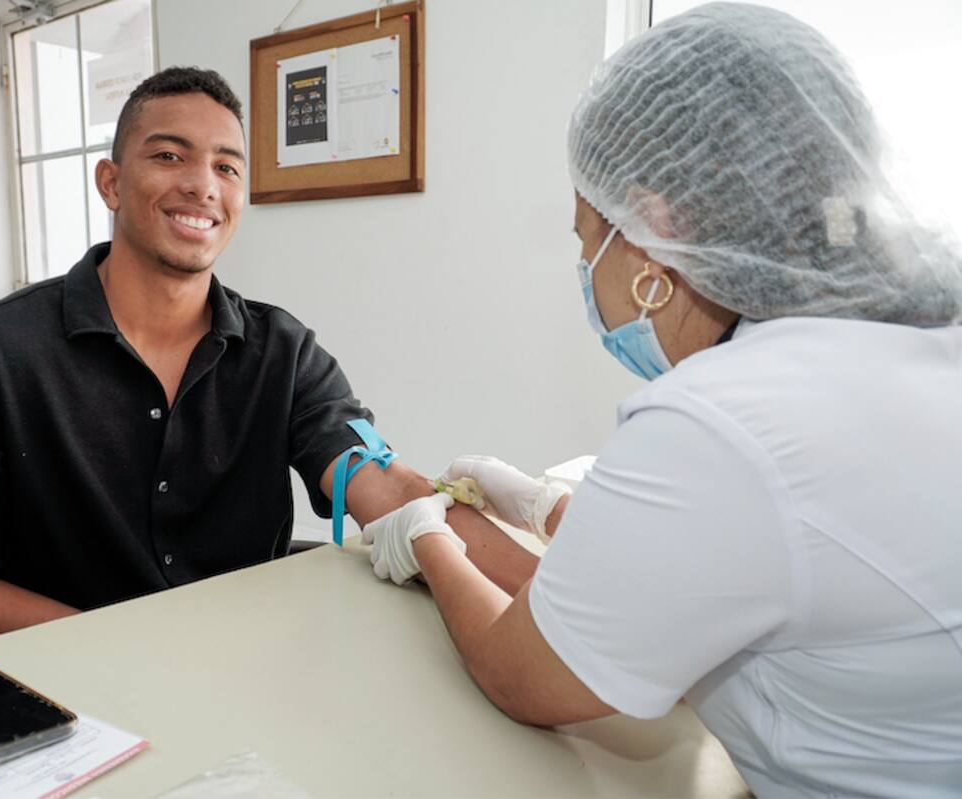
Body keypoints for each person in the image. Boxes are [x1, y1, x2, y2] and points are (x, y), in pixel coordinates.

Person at [361, 4, 962, 796]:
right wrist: (546, 509)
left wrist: (427, 537)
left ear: (653, 228)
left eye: (587, 240)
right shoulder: (918, 334)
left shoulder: (722, 420)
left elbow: (522, 675)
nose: (587, 272)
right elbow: (751, 556)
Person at [0, 67, 525, 643]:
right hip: (74, 681)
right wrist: (132, 649)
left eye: (227, 168)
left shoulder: (284, 351)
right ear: (110, 183)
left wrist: (547, 600)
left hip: (245, 660)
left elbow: (382, 482)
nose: (202, 186)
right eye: (169, 156)